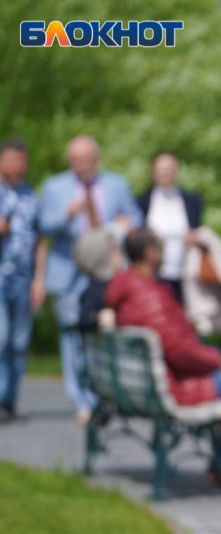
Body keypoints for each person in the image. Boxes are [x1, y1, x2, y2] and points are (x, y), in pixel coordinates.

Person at [106, 227, 221, 490]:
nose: (165, 250)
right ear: (149, 253)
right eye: (160, 245)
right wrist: (213, 359)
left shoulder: (131, 288)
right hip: (180, 385)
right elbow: (176, 349)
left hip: (166, 379)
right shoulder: (147, 296)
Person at [40, 135, 142, 424]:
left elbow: (134, 214)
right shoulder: (54, 186)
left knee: (104, 332)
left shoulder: (116, 184)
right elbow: (44, 225)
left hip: (105, 272)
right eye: (75, 160)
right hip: (70, 273)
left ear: (96, 159)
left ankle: (103, 396)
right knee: (72, 334)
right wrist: (66, 214)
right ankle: (81, 399)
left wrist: (126, 223)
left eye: (86, 159)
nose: (81, 165)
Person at [0, 139, 47, 422]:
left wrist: (39, 281)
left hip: (23, 279)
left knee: (19, 343)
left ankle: (9, 401)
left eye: (22, 160)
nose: (18, 166)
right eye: (11, 159)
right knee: (0, 338)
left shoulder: (31, 195)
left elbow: (40, 242)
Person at [137, 151, 203, 303]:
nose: (165, 173)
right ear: (153, 172)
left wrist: (195, 237)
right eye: (161, 169)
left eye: (169, 169)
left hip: (185, 273)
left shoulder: (192, 201)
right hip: (153, 273)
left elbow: (198, 230)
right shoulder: (142, 201)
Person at [73, 229, 124, 333]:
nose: (120, 254)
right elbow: (84, 321)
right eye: (115, 250)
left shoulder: (117, 283)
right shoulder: (96, 291)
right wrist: (98, 318)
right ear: (103, 257)